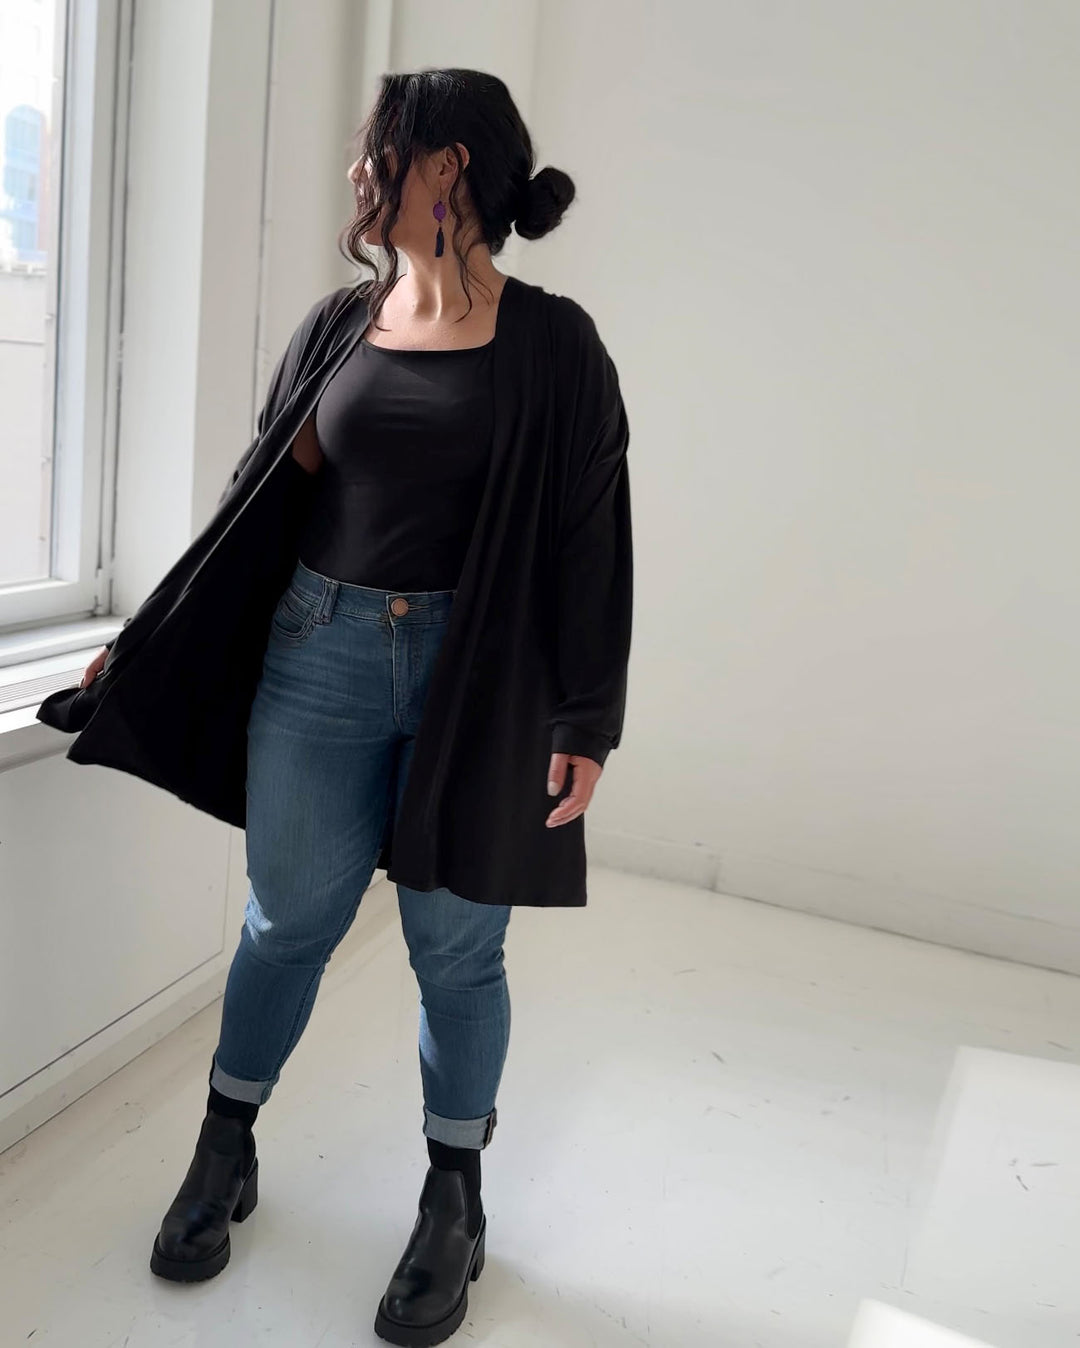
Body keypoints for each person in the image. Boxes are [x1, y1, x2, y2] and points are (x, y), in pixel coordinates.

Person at [80, 69, 630, 1347]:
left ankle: (454, 1196)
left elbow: (591, 536)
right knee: (286, 923)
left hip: (480, 678)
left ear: (446, 166)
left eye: (375, 150)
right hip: (317, 653)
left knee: (456, 949)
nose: (354, 172)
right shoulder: (342, 324)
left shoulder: (556, 345)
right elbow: (252, 498)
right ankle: (225, 1147)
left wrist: (586, 719)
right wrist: (143, 636)